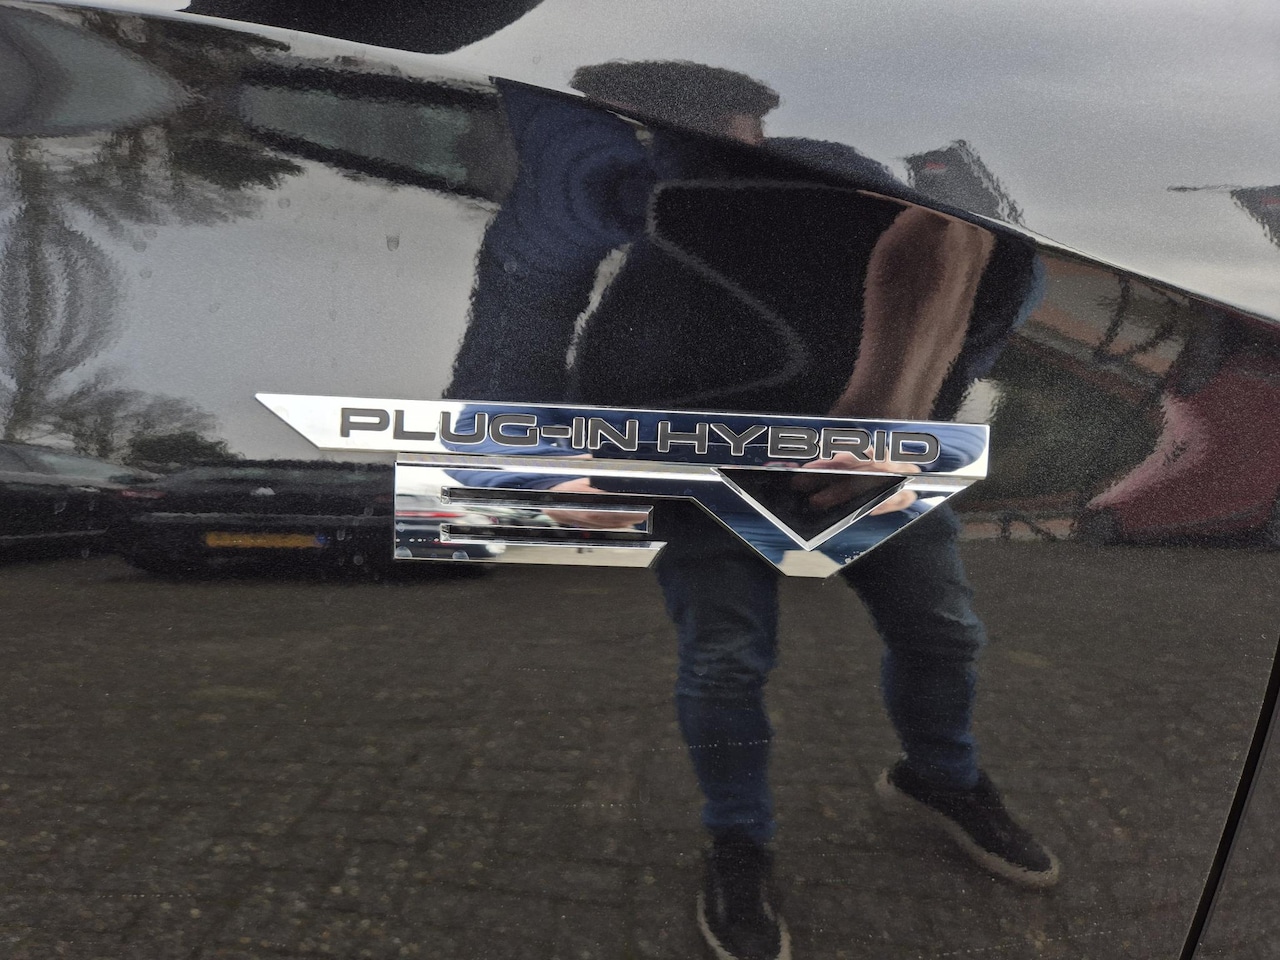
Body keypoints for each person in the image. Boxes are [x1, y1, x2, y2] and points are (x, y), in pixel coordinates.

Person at [447, 61, 1056, 960]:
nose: (717, 146)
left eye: (725, 127)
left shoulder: (827, 169)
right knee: (726, 661)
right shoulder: (603, 188)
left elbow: (978, 257)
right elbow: (527, 299)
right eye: (678, 127)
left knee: (942, 632)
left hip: (864, 455)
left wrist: (912, 409)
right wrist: (524, 461)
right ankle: (738, 842)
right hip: (702, 457)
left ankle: (943, 777)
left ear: (755, 126)